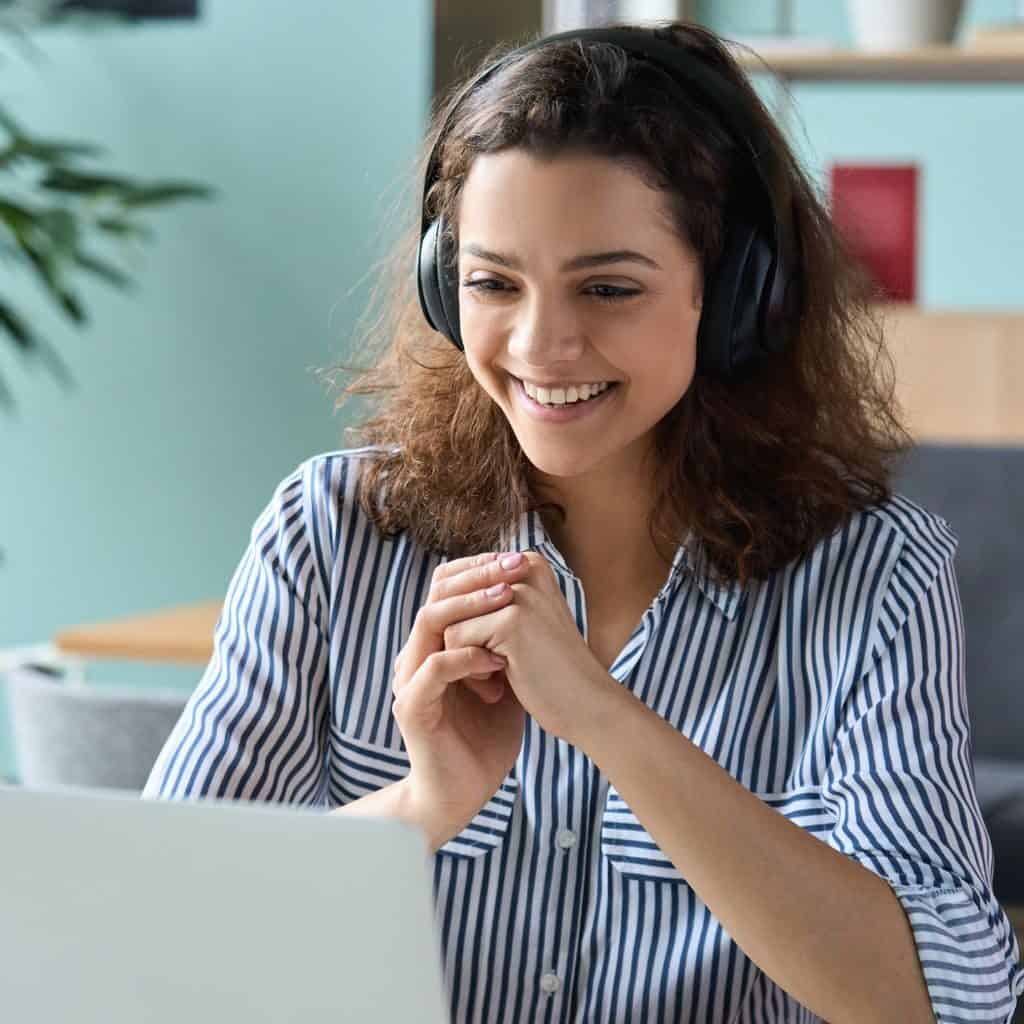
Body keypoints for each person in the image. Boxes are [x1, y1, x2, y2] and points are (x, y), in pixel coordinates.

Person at [142, 20, 1024, 1024]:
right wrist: (419, 809)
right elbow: (151, 933)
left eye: (608, 287)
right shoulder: (329, 533)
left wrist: (606, 720)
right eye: (491, 283)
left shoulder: (872, 575)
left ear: (735, 296)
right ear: (443, 286)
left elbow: (945, 999)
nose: (540, 344)